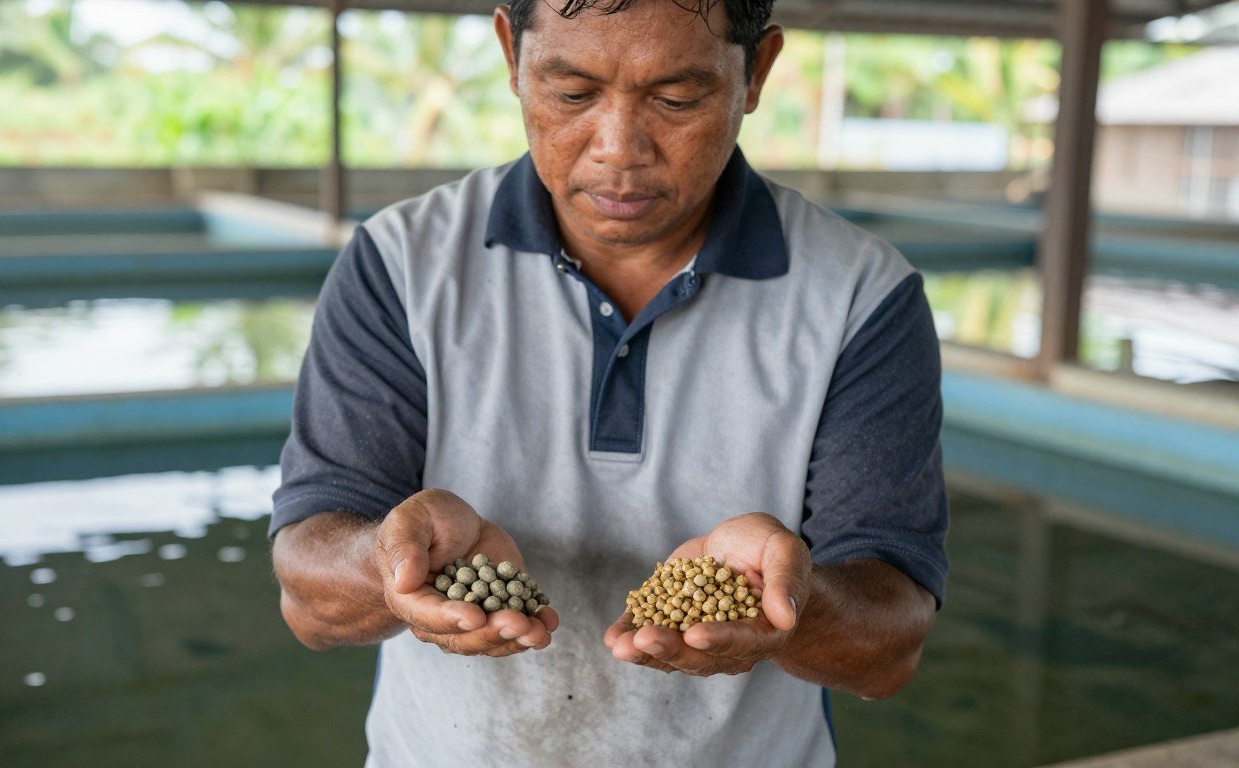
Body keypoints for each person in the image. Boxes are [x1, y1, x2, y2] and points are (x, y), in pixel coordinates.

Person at [270, 0, 949, 765]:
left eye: (677, 99)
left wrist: (788, 602)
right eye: (571, 93)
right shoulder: (403, 265)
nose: (618, 149)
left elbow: (888, 648)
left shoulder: (860, 296)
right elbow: (309, 597)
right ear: (511, 53)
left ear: (756, 70)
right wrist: (389, 562)